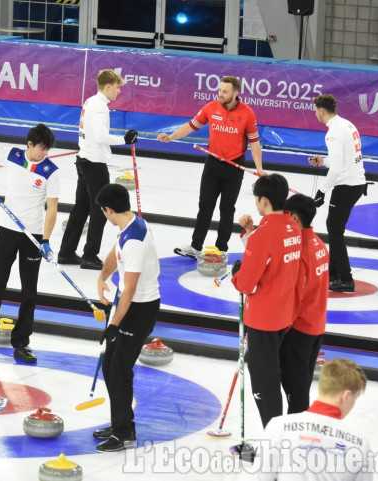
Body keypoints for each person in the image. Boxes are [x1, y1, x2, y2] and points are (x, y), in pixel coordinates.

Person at [0, 114, 59, 364]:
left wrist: (46, 240)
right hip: (7, 232)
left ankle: (22, 343)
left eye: (48, 148)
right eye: (41, 147)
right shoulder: (12, 155)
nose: (45, 152)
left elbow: (52, 208)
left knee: (29, 292)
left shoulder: (51, 171)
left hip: (34, 236)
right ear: (29, 144)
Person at [158, 76, 265, 259]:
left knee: (227, 208)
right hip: (213, 164)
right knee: (205, 205)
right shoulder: (211, 108)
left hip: (234, 165)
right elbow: (191, 126)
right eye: (220, 90)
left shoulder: (247, 114)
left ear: (235, 93)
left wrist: (259, 169)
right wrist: (171, 137)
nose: (221, 94)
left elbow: (255, 143)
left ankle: (221, 249)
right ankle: (195, 246)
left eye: (225, 91)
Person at [94, 183, 161, 452]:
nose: (104, 216)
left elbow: (130, 289)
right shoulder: (130, 224)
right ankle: (119, 421)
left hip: (138, 309)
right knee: (111, 366)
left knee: (119, 369)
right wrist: (103, 275)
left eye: (103, 212)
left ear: (109, 210)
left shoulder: (134, 240)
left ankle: (125, 433)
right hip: (129, 305)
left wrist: (114, 324)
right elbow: (115, 251)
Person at [231, 174, 301, 428]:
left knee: (264, 382)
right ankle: (280, 436)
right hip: (284, 313)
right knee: (272, 375)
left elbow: (246, 283)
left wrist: (236, 275)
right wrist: (250, 233)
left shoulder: (265, 234)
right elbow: (274, 261)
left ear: (263, 200)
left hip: (263, 318)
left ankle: (275, 442)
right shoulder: (292, 226)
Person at [58, 68, 138, 270]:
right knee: (99, 210)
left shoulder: (90, 101)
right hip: (94, 164)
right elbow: (101, 136)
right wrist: (125, 139)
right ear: (108, 86)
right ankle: (90, 255)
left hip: (83, 160)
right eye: (117, 88)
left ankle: (66, 252)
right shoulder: (101, 107)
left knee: (81, 208)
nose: (118, 92)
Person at [260, 359, 375, 480]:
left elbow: (263, 477)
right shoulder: (359, 443)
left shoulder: (278, 426)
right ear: (345, 396)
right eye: (354, 398)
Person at [309, 94, 367, 293]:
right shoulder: (347, 124)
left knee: (334, 230)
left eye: (315, 110)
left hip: (346, 185)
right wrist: (323, 161)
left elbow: (337, 169)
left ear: (322, 111)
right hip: (356, 182)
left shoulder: (333, 132)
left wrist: (321, 191)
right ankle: (333, 273)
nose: (315, 113)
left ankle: (345, 279)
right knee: (334, 227)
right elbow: (343, 159)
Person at [280, 194, 329, 414]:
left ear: (295, 218)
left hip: (298, 330)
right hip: (316, 326)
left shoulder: (300, 251)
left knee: (296, 396)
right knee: (302, 388)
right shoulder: (319, 243)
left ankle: (294, 443)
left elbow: (294, 295)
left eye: (285, 216)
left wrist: (281, 330)